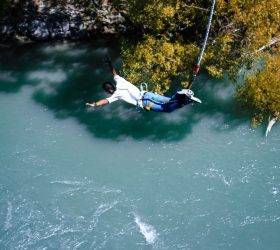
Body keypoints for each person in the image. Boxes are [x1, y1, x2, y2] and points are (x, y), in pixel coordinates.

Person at [86, 57, 202, 112]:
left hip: (145, 102)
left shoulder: (115, 95)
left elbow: (105, 101)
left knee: (167, 109)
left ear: (108, 91)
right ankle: (183, 96)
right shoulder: (119, 81)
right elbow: (114, 73)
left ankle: (184, 99)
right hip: (147, 94)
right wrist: (110, 63)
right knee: (169, 100)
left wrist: (95, 104)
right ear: (112, 85)